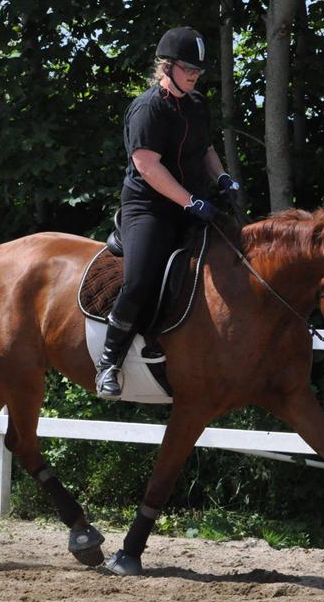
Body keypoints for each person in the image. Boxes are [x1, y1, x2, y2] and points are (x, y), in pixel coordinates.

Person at [95, 26, 244, 399]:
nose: (194, 76)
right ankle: (108, 362)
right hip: (150, 208)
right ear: (167, 66)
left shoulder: (196, 103)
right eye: (187, 69)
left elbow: (205, 149)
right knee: (141, 280)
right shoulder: (148, 108)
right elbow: (147, 166)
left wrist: (222, 177)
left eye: (197, 71)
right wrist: (191, 201)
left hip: (193, 205)